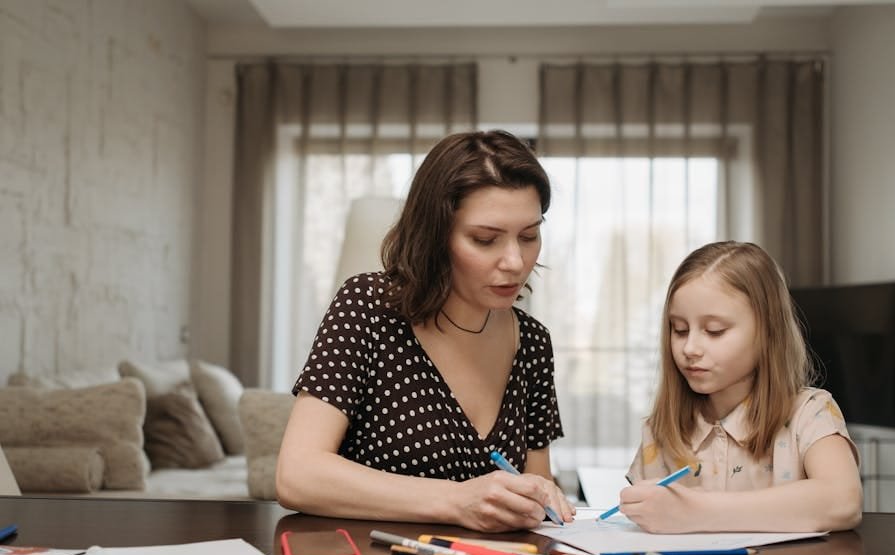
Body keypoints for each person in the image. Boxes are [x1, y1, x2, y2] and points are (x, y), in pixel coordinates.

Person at [276, 130, 575, 532]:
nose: (514, 261)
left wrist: (540, 497)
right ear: (435, 237)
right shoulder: (367, 307)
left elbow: (537, 483)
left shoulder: (533, 342)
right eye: (485, 240)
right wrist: (457, 500)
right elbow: (298, 475)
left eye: (529, 236)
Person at [619, 241, 863, 533]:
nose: (690, 348)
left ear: (768, 332)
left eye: (714, 331)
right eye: (679, 329)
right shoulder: (661, 430)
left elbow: (843, 501)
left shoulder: (810, 413)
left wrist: (695, 513)